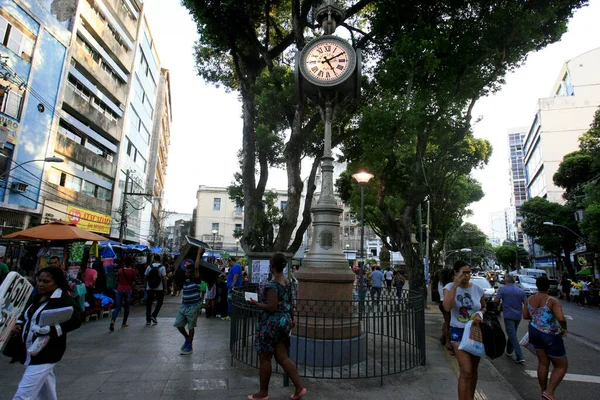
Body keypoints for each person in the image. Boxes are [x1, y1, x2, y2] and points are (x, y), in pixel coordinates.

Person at [10, 267, 81, 399]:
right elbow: (25, 315)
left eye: (46, 281)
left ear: (56, 283)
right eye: (39, 280)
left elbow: (76, 320)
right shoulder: (36, 297)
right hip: (30, 349)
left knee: (23, 395)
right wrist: (19, 324)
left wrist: (53, 330)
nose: (40, 284)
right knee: (47, 393)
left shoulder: (63, 300)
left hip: (46, 353)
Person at [249, 252, 306, 400]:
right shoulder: (287, 282)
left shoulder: (272, 285)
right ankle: (299, 388)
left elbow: (272, 307)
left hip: (271, 323)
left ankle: (263, 393)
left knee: (265, 358)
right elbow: (290, 303)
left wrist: (256, 303)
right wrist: (292, 319)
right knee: (283, 357)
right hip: (284, 321)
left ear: (272, 265)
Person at [443, 260, 486, 400]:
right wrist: (455, 285)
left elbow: (483, 307)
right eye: (463, 272)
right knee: (466, 370)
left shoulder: (478, 289)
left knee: (473, 370)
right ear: (455, 273)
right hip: (458, 332)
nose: (466, 276)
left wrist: (480, 314)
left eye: (468, 273)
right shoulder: (449, 287)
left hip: (475, 333)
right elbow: (447, 308)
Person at [523, 276, 568, 400]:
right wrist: (564, 328)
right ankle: (550, 391)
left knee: (543, 363)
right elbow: (561, 319)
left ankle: (543, 391)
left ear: (537, 286)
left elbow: (525, 316)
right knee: (561, 365)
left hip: (534, 332)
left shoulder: (529, 299)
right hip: (549, 334)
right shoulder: (552, 301)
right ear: (548, 286)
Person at [174, 247, 205, 355]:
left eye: (188, 272)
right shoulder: (185, 280)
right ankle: (187, 338)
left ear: (192, 273)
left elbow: (196, 267)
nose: (186, 274)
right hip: (184, 305)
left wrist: (198, 253)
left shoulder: (196, 279)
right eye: (186, 272)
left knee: (191, 327)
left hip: (193, 306)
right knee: (178, 324)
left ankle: (190, 346)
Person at [494, 274, 527, 364]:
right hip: (518, 316)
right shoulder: (520, 291)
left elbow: (496, 300)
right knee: (512, 333)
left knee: (512, 334)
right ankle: (509, 350)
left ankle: (520, 356)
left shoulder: (502, 289)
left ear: (506, 281)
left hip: (508, 315)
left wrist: (496, 307)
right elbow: (526, 303)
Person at [110, 256, 136, 331]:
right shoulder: (132, 271)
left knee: (117, 307)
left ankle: (113, 320)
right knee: (126, 307)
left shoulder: (120, 270)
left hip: (120, 289)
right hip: (128, 290)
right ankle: (124, 323)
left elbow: (117, 279)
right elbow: (133, 280)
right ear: (131, 263)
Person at [144, 254, 167, 325]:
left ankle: (148, 320)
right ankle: (154, 315)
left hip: (149, 287)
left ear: (154, 259)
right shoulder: (162, 267)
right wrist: (165, 287)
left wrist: (145, 286)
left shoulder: (149, 267)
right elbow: (164, 278)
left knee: (149, 304)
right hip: (159, 288)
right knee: (159, 302)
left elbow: (145, 277)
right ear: (160, 259)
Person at [438, 268, 454, 354]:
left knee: (446, 322)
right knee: (449, 323)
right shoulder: (450, 285)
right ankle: (448, 341)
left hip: (442, 302)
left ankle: (444, 338)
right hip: (446, 304)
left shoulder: (441, 283)